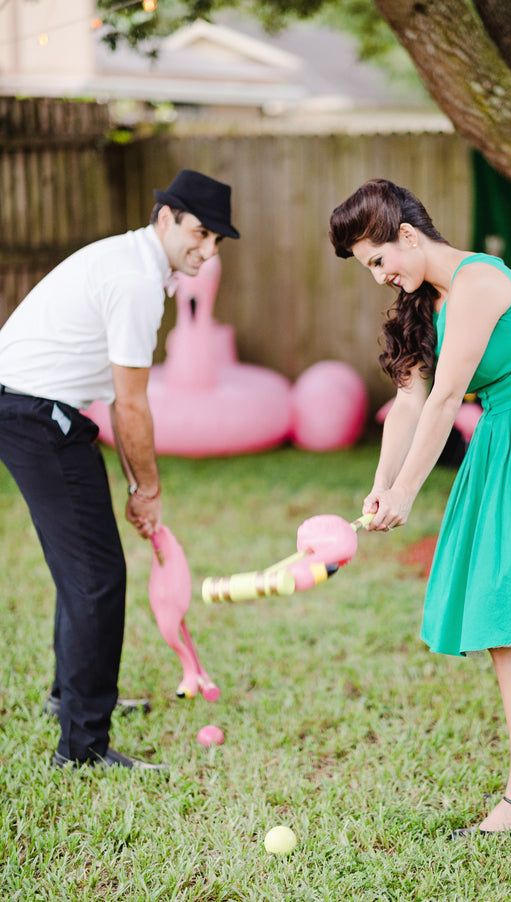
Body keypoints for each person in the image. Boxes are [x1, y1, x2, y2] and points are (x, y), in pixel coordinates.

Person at [328, 178, 511, 836]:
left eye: (378, 260)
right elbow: (412, 402)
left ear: (409, 235)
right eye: (370, 268)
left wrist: (407, 495)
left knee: (509, 616)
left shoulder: (479, 282)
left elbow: (449, 398)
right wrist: (381, 478)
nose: (380, 277)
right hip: (505, 443)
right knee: (510, 616)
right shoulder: (426, 302)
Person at [0, 169, 240, 770]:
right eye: (201, 233)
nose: (208, 251)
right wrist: (147, 490)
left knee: (82, 571)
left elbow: (116, 397)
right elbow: (129, 401)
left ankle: (69, 697)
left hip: (32, 408)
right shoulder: (135, 280)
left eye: (218, 241)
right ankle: (82, 747)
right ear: (166, 218)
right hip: (36, 413)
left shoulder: (133, 262)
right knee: (97, 578)